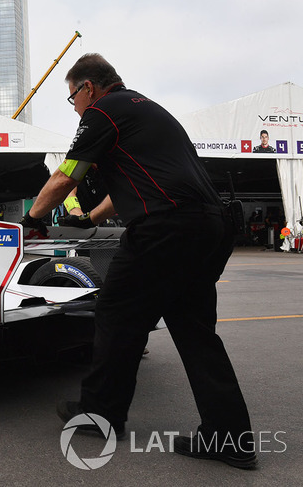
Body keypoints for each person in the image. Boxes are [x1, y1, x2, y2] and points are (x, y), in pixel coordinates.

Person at [21, 53, 256, 469]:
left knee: (114, 311)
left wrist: (31, 218)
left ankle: (100, 414)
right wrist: (88, 219)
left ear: (88, 88)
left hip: (166, 228)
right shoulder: (147, 110)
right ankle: (230, 437)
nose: (74, 105)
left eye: (71, 95)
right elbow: (133, 185)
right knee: (195, 330)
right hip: (209, 226)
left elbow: (67, 174)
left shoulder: (103, 112)